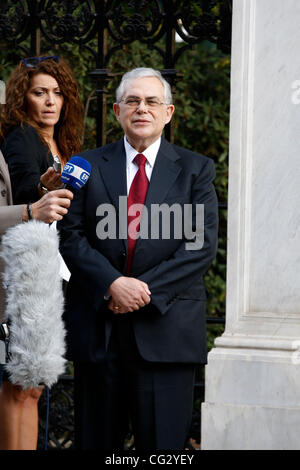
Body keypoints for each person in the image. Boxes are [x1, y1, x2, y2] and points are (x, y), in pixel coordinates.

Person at [58, 67, 218, 450]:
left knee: (162, 449)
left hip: (167, 330)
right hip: (100, 331)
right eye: (132, 101)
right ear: (116, 111)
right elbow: (70, 235)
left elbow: (199, 245)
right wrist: (112, 284)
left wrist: (141, 291)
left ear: (168, 112)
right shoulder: (86, 165)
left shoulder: (196, 170)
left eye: (151, 101)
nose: (141, 108)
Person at [0, 55, 83, 450]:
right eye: (39, 93)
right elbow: (17, 195)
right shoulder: (22, 137)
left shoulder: (62, 143)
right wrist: (41, 189)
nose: (50, 101)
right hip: (25, 273)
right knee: (20, 382)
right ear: (23, 99)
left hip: (53, 272)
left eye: (57, 93)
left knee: (34, 386)